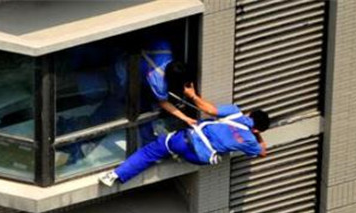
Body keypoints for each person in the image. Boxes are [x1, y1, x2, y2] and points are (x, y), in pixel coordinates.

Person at [98, 87, 270, 186]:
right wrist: (258, 137)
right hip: (199, 158)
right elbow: (263, 153)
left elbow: (209, 110)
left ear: (250, 113)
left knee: (151, 151)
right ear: (257, 130)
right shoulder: (250, 142)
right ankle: (176, 155)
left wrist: (192, 95)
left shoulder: (235, 113)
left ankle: (114, 175)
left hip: (186, 141)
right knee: (173, 150)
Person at [139, 40, 198, 144]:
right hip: (128, 73)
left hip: (140, 55)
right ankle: (148, 142)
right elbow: (163, 103)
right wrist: (185, 118)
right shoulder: (159, 84)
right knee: (144, 110)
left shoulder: (165, 48)